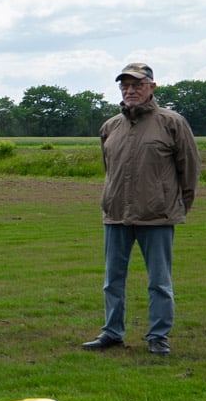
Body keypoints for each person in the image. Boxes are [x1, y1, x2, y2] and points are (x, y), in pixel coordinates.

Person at [82, 62, 200, 356]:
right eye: (125, 85)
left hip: (157, 216)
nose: (130, 90)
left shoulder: (172, 123)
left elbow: (190, 169)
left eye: (137, 85)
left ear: (152, 87)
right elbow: (110, 169)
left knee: (159, 282)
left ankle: (158, 336)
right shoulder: (110, 127)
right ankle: (112, 332)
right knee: (112, 281)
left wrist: (178, 204)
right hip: (116, 215)